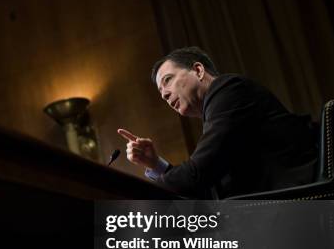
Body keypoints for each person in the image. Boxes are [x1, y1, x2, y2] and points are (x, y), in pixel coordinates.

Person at [118, 46, 318, 198]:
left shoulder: (229, 90)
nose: (166, 95)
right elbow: (208, 185)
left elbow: (197, 176)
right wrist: (155, 164)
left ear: (198, 70)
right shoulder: (217, 109)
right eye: (162, 94)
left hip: (296, 200)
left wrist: (132, 190)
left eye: (168, 80)